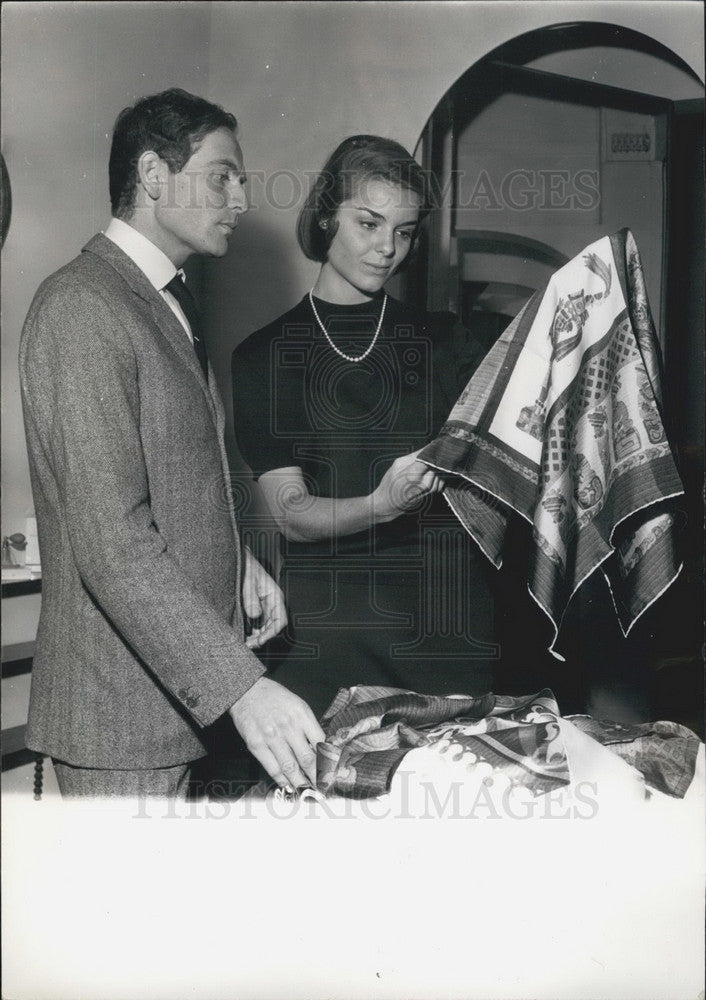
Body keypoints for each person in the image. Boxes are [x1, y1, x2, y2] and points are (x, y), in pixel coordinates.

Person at [19, 88, 324, 798]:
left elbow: (176, 481)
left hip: (176, 710)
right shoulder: (82, 305)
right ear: (153, 175)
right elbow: (113, 543)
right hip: (120, 722)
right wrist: (241, 687)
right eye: (222, 176)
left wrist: (238, 562)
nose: (241, 200)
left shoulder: (162, 298)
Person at [231, 135, 498, 721]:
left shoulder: (447, 342)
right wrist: (382, 504)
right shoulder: (266, 356)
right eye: (369, 224)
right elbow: (291, 515)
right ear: (327, 215)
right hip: (333, 639)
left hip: (450, 634)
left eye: (404, 231)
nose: (387, 249)